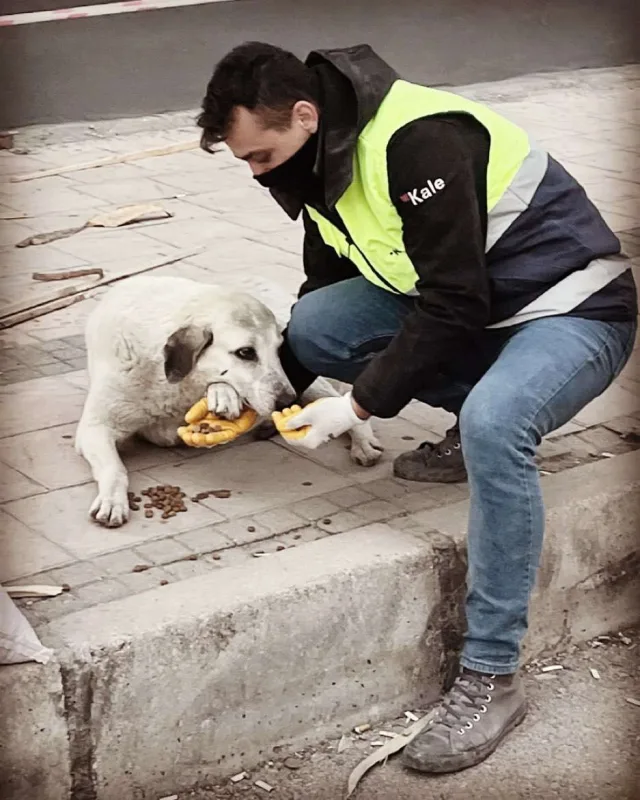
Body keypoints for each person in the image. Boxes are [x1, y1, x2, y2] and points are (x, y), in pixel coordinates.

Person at [197, 42, 637, 773]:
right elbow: (333, 283)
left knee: (499, 426)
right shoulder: (317, 159)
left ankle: (492, 676)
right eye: (245, 161)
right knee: (317, 325)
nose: (256, 172)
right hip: (484, 315)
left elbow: (455, 300)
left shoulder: (418, 140)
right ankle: (492, 409)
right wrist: (265, 399)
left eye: (261, 155)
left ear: (305, 115)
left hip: (572, 311)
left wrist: (361, 406)